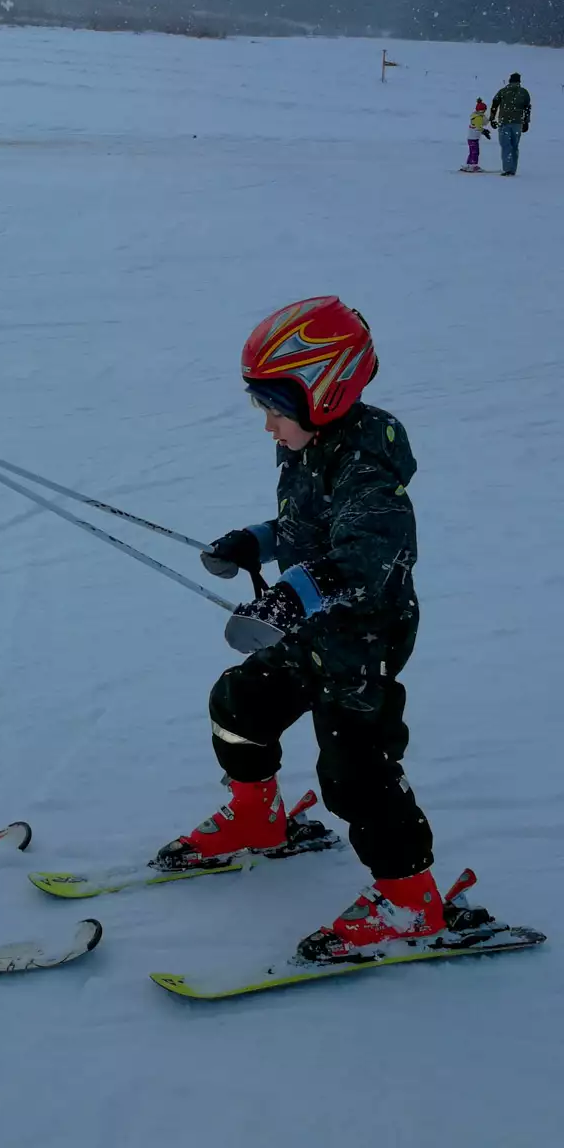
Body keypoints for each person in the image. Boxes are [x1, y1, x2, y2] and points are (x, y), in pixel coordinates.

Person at [155, 297, 443, 964]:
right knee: (238, 706)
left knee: (355, 771)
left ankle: (412, 898)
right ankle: (257, 814)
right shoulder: (308, 447)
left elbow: (363, 561)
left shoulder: (368, 468)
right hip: (308, 626)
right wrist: (254, 544)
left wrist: (288, 601)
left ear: (325, 393)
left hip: (360, 640)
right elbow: (304, 529)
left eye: (274, 409)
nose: (267, 426)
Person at [490, 72, 531, 176]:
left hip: (504, 121)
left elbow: (495, 104)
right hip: (517, 123)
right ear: (519, 81)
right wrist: (526, 122)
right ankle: (512, 169)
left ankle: (507, 168)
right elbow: (527, 108)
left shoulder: (503, 91)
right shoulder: (524, 92)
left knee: (506, 145)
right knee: (514, 146)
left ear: (509, 81)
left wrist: (492, 119)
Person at [462, 98, 490, 173]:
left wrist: (488, 119)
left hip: (471, 138)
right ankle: (473, 166)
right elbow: (478, 126)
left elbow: (484, 122)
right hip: (473, 138)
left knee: (472, 152)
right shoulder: (478, 117)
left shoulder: (476, 116)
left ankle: (469, 165)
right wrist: (484, 131)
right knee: (475, 152)